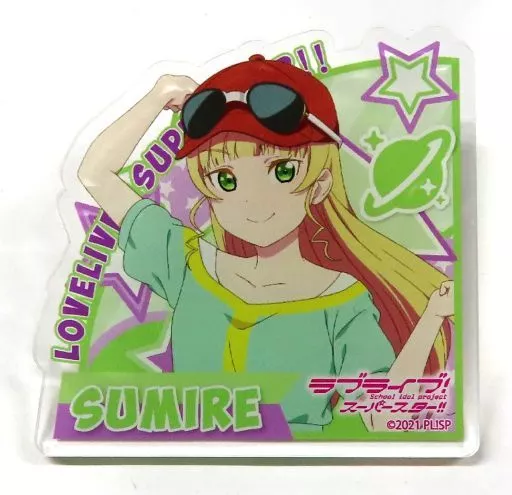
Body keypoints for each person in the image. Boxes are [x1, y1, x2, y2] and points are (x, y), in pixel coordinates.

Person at [78, 54, 454, 432]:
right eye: (226, 179)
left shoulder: (343, 301)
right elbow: (95, 175)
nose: (251, 200)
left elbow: (382, 417)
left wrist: (432, 318)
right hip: (190, 463)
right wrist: (159, 96)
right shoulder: (187, 264)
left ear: (319, 184)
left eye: (283, 171)